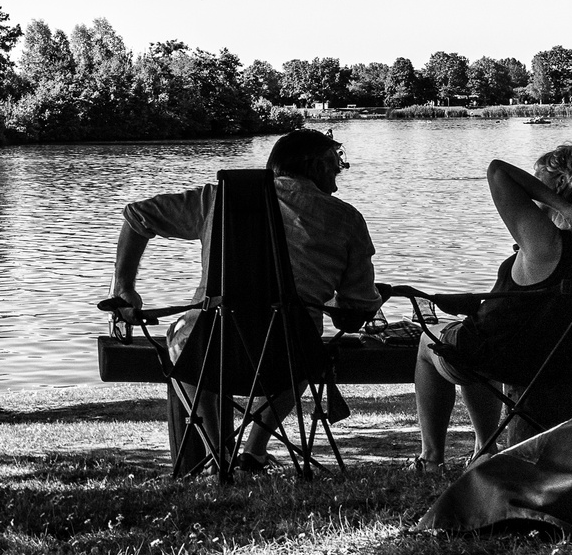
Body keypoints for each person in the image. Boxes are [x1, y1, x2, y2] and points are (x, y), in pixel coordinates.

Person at [110, 128, 381, 471]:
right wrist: (367, 302)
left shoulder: (216, 199)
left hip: (210, 347)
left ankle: (218, 453)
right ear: (315, 166)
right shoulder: (347, 219)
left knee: (181, 337)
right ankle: (254, 450)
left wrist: (124, 288)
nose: (337, 181)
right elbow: (353, 313)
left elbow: (137, 216)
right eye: (334, 168)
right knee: (311, 349)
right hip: (288, 352)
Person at [412, 142, 572, 472]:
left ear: (553, 188)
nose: (533, 192)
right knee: (470, 334)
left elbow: (498, 171)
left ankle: (433, 458)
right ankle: (483, 450)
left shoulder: (546, 242)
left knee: (430, 343)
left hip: (509, 353)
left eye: (539, 183)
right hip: (564, 351)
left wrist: (562, 209)